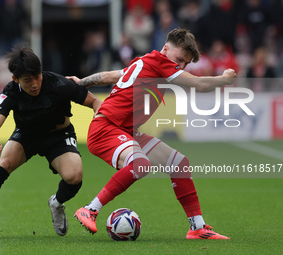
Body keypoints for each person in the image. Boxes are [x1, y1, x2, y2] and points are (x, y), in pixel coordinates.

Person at [69, 28, 236, 239]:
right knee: (140, 164)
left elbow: (110, 75)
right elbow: (199, 84)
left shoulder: (144, 61)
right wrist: (224, 79)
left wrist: (82, 82)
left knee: (179, 163)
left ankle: (197, 227)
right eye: (179, 59)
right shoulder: (160, 63)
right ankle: (90, 209)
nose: (181, 66)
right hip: (106, 128)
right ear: (165, 48)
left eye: (185, 63)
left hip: (125, 130)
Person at [0, 45, 102, 239]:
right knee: (3, 165)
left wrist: (99, 116)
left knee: (75, 177)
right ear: (15, 79)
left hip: (58, 137)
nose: (35, 84)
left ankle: (56, 202)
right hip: (27, 136)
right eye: (28, 80)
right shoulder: (11, 91)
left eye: (37, 76)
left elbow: (95, 102)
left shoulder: (59, 84)